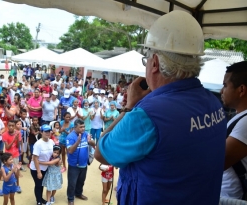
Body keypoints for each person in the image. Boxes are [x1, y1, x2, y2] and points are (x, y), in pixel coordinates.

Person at [95, 10, 227, 205]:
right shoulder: (214, 103)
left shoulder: (147, 115)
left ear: (154, 63)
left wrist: (129, 107)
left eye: (146, 60)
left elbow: (101, 153)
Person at [220, 61, 247, 199]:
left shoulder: (246, 123)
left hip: (232, 198)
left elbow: (218, 161)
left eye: (225, 85)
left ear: (241, 90)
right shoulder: (241, 118)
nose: (221, 91)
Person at [66, 119, 95, 205]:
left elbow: (94, 144)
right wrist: (77, 142)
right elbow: (70, 151)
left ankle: (78, 193)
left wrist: (90, 141)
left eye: (84, 127)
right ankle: (70, 198)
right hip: (74, 165)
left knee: (81, 181)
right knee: (72, 183)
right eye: (81, 127)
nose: (83, 129)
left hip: (84, 163)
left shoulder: (86, 134)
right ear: (75, 127)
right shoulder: (70, 137)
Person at [30, 124, 55, 205]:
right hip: (36, 168)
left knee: (42, 184)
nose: (48, 133)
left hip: (46, 167)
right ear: (41, 132)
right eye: (46, 131)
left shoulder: (51, 141)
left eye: (49, 131)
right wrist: (38, 172)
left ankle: (40, 198)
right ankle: (39, 201)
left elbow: (54, 154)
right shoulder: (38, 144)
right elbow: (35, 158)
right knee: (38, 184)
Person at [2, 120, 22, 193]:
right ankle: (4, 186)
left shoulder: (18, 133)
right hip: (7, 157)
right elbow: (7, 147)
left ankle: (18, 185)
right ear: (7, 126)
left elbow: (17, 146)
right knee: (6, 172)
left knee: (16, 171)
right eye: (9, 125)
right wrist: (14, 139)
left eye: (12, 126)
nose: (11, 127)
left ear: (15, 126)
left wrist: (17, 139)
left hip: (15, 155)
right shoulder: (4, 135)